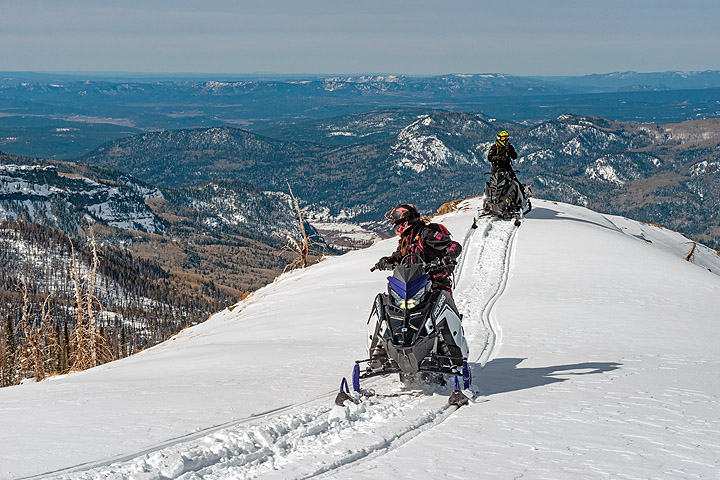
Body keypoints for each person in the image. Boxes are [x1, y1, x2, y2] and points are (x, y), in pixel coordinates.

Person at [373, 204, 462, 293]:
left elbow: (453, 245)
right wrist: (386, 260)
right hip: (414, 287)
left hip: (435, 284)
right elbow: (398, 256)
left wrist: (448, 257)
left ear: (405, 222)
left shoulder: (426, 234)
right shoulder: (406, 239)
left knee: (443, 304)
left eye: (397, 225)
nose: (396, 229)